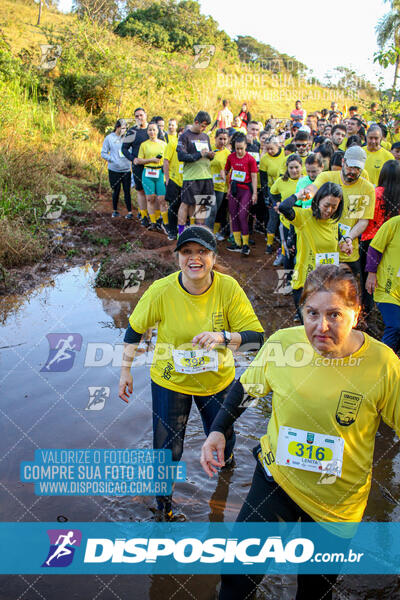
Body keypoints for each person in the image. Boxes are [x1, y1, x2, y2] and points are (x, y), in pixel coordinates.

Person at [201, 263, 400, 600]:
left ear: (357, 312)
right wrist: (218, 430)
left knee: (315, 591)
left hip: (336, 503)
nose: (321, 327)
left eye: (334, 315)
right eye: (311, 313)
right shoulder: (282, 345)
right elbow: (246, 388)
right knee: (237, 576)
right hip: (276, 481)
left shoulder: (383, 364)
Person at [119, 225, 264, 520]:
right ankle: (164, 508)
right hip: (171, 379)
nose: (194, 259)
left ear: (213, 256)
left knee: (225, 437)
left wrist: (223, 337)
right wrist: (125, 372)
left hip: (216, 381)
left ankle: (225, 481)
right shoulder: (161, 291)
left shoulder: (228, 289)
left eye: (202, 252)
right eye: (187, 252)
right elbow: (134, 330)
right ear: (178, 258)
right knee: (167, 448)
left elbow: (257, 338)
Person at [279, 182, 345, 321]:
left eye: (334, 206)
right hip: (305, 283)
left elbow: (338, 236)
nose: (329, 210)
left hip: (328, 284)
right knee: (310, 327)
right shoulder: (304, 217)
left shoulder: (333, 222)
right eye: (326, 205)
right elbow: (284, 207)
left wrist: (346, 242)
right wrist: (299, 195)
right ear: (317, 200)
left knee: (324, 327)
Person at [312, 146, 375, 277]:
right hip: (322, 250)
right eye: (350, 166)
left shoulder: (367, 188)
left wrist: (348, 238)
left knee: (348, 293)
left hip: (348, 252)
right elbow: (313, 189)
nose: (353, 171)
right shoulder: (326, 177)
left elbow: (363, 221)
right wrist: (303, 194)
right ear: (343, 162)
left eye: (357, 169)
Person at [361, 160, 400, 318]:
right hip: (393, 244)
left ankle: (367, 313)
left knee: (369, 281)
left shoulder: (373, 193)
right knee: (391, 279)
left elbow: (363, 218)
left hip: (370, 241)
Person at [366, 216, 400, 352]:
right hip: (387, 288)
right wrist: (371, 273)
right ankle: (382, 359)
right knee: (395, 326)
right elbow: (375, 248)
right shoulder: (394, 224)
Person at [177, 111, 215, 232]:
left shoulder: (205, 137)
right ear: (196, 122)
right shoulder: (184, 136)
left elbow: (208, 154)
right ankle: (181, 232)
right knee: (186, 204)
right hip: (191, 177)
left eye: (206, 127)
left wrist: (210, 155)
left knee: (202, 204)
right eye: (203, 126)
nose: (204, 129)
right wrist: (199, 154)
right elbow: (181, 156)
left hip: (206, 176)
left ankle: (199, 232)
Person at [122, 107, 160, 228]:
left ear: (146, 115)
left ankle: (157, 218)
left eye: (141, 115)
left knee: (156, 193)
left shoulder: (154, 128)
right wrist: (133, 159)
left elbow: (164, 144)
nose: (139, 118)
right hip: (139, 166)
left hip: (154, 166)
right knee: (141, 191)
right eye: (137, 116)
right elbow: (124, 148)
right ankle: (143, 216)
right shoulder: (132, 132)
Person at [224, 133, 258, 255]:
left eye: (241, 148)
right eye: (237, 148)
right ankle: (237, 244)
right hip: (234, 190)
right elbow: (226, 170)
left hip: (246, 190)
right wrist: (227, 185)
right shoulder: (231, 157)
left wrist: (254, 193)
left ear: (245, 147)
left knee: (242, 215)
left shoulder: (250, 159)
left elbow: (254, 177)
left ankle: (245, 245)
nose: (239, 151)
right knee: (233, 215)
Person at [135, 122, 168, 232]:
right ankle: (153, 222)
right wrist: (151, 160)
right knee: (150, 198)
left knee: (162, 199)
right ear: (147, 131)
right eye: (150, 130)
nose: (152, 132)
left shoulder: (164, 144)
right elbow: (139, 160)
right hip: (148, 173)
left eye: (154, 130)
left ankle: (165, 223)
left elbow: (168, 160)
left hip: (160, 173)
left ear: (158, 131)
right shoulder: (144, 145)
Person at [100, 119, 132, 219]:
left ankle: (130, 212)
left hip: (126, 169)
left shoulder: (128, 138)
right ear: (117, 127)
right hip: (114, 170)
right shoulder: (109, 138)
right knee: (116, 190)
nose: (124, 130)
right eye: (122, 128)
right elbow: (103, 153)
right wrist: (112, 159)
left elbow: (131, 151)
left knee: (127, 191)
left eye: (125, 128)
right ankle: (115, 211)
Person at [259, 137, 287, 253]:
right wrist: (266, 195)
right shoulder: (265, 159)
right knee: (273, 216)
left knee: (284, 218)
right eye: (267, 149)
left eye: (272, 149)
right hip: (272, 191)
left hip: (285, 189)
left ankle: (284, 245)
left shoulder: (285, 155)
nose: (269, 151)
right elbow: (263, 179)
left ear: (278, 146)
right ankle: (269, 244)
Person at [208, 128, 230, 233]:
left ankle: (214, 233)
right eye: (220, 138)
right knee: (206, 210)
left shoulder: (228, 153)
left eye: (225, 139)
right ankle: (203, 232)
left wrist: (225, 173)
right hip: (207, 185)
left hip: (221, 186)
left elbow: (230, 171)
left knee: (216, 210)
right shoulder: (209, 149)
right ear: (215, 138)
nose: (222, 141)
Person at [164, 126, 184, 240]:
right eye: (182, 133)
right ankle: (172, 231)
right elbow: (166, 161)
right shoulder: (172, 143)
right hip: (174, 179)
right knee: (173, 206)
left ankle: (181, 231)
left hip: (186, 181)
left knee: (184, 207)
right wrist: (167, 179)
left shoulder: (190, 145)